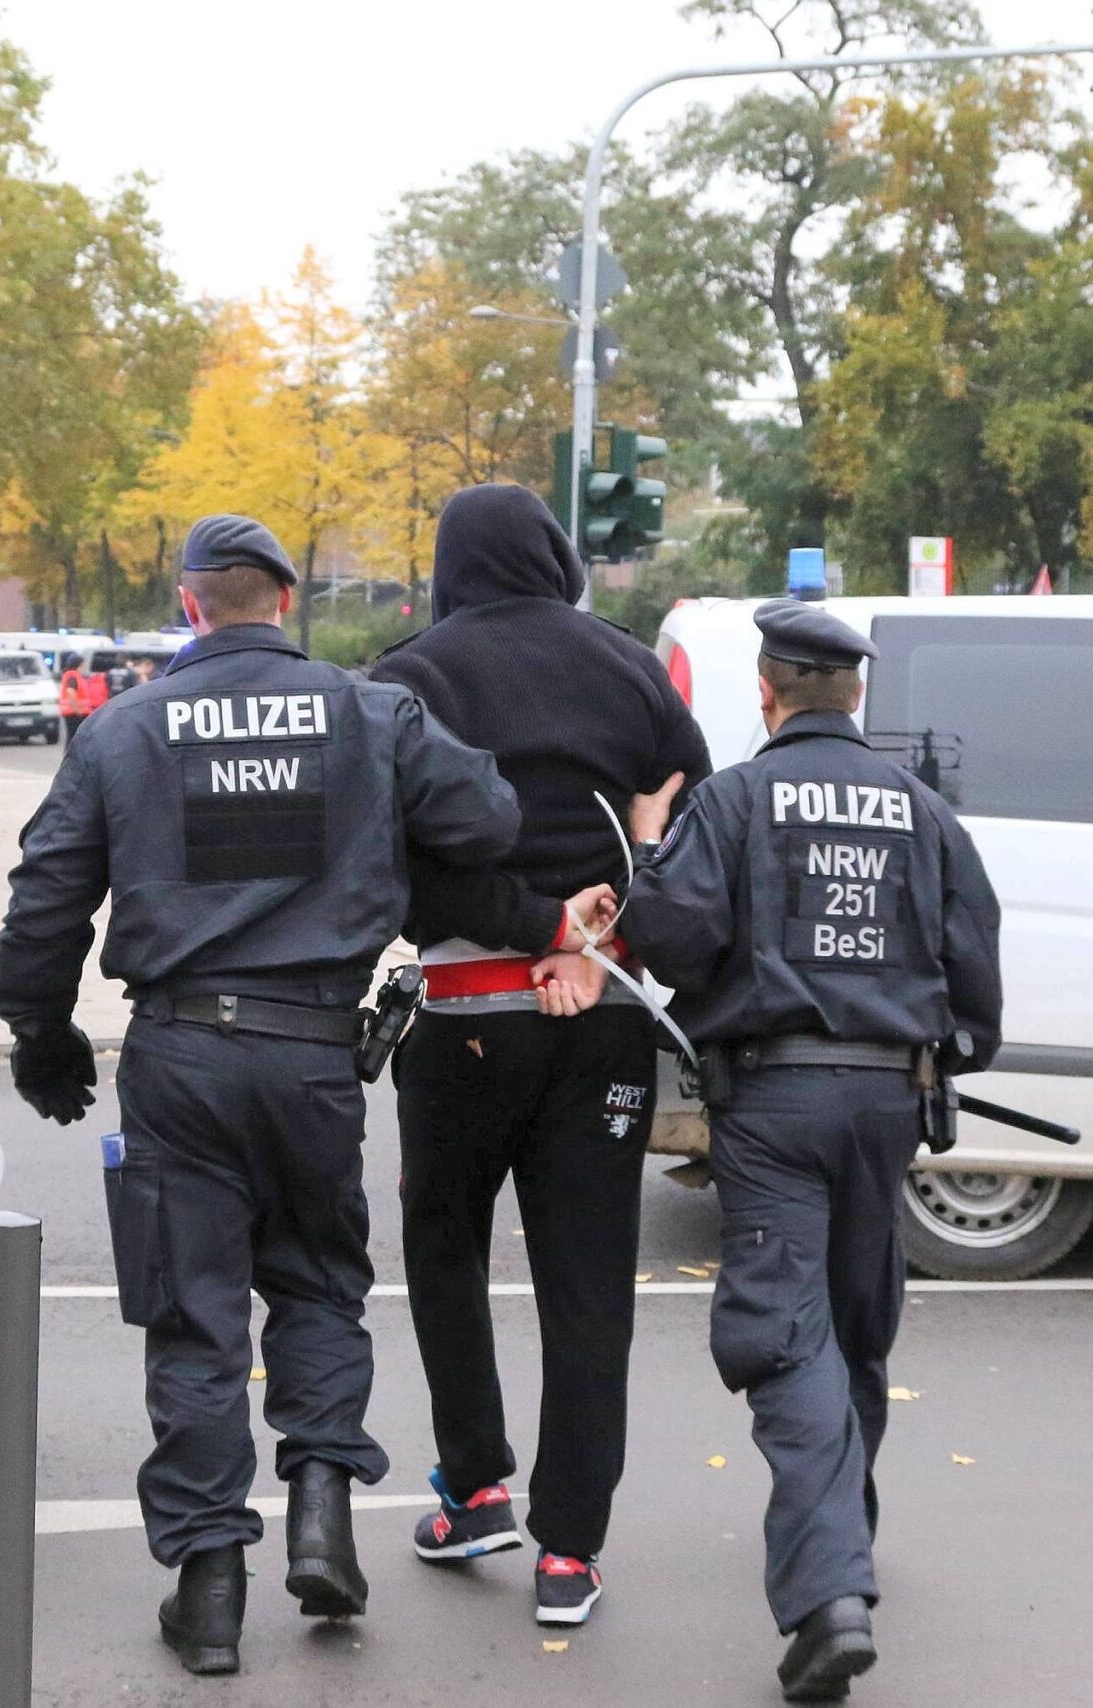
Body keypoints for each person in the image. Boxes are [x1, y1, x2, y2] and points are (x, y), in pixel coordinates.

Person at [0, 513, 521, 1678]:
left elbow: (45, 894)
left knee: (194, 1315)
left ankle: (211, 1582)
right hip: (315, 1056)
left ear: (190, 605)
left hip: (180, 1056)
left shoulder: (124, 725)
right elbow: (486, 819)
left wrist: (41, 1032)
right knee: (319, 1285)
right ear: (284, 599)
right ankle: (323, 1509)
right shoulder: (370, 710)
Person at [587, 597, 1001, 1702]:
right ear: (855, 695)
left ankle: (828, 1596)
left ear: (765, 692)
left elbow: (669, 934)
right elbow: (978, 977)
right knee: (855, 1325)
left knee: (787, 1336)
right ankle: (844, 1539)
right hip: (887, 1101)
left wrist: (642, 848)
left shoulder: (732, 799)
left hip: (772, 1103)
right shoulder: (924, 809)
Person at [365, 482, 711, 1627]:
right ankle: (570, 1552)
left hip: (464, 1008)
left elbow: (395, 859)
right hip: (601, 1013)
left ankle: (474, 1486)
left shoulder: (411, 674)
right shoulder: (626, 667)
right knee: (587, 1278)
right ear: (557, 554)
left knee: (443, 1243)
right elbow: (687, 808)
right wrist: (595, 930)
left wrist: (528, 924)